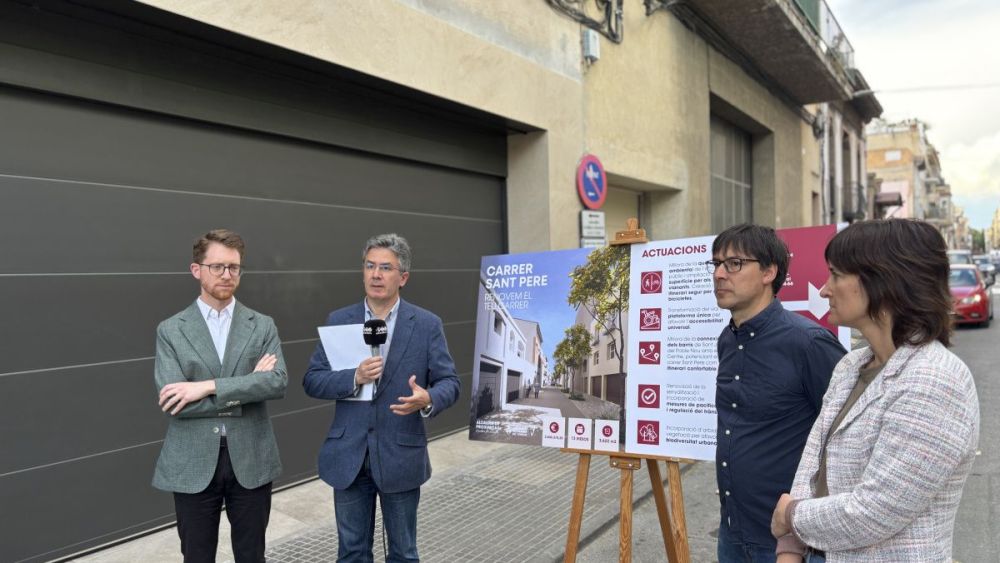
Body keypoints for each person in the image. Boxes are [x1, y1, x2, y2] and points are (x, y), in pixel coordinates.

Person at [770, 219, 980, 562]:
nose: (824, 290)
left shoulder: (935, 380)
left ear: (883, 281)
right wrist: (790, 548)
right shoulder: (851, 365)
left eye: (836, 274)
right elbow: (813, 461)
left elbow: (875, 511)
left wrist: (791, 516)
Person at [304, 233, 460, 562]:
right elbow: (313, 380)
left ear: (403, 277)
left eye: (386, 268)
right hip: (348, 457)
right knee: (352, 553)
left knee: (403, 553)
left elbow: (450, 382)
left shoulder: (426, 324)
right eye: (370, 266)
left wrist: (428, 398)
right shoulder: (339, 320)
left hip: (400, 454)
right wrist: (353, 377)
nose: (376, 274)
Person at [707, 224, 846, 563]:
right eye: (716, 264)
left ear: (769, 272)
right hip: (732, 532)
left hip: (789, 544)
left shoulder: (809, 344)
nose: (720, 274)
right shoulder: (728, 340)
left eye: (734, 264)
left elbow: (847, 439)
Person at [153, 229, 287, 563]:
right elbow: (174, 403)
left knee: (252, 555)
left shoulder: (262, 325)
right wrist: (249, 386)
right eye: (217, 267)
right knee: (196, 556)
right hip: (193, 460)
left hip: (252, 456)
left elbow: (276, 383)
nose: (227, 275)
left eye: (234, 267)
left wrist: (206, 386)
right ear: (196, 270)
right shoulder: (171, 330)